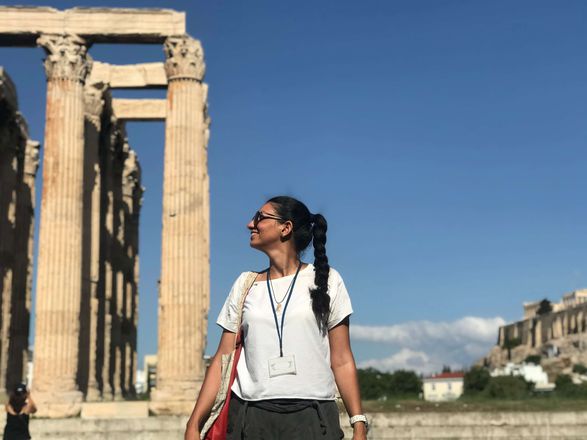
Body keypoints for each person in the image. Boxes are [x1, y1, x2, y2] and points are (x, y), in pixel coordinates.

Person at [185, 196, 367, 440]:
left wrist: (358, 423)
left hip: (313, 417)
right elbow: (222, 359)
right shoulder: (245, 284)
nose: (250, 224)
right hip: (250, 417)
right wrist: (194, 423)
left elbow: (342, 359)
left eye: (260, 217)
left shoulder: (328, 280)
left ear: (285, 227)